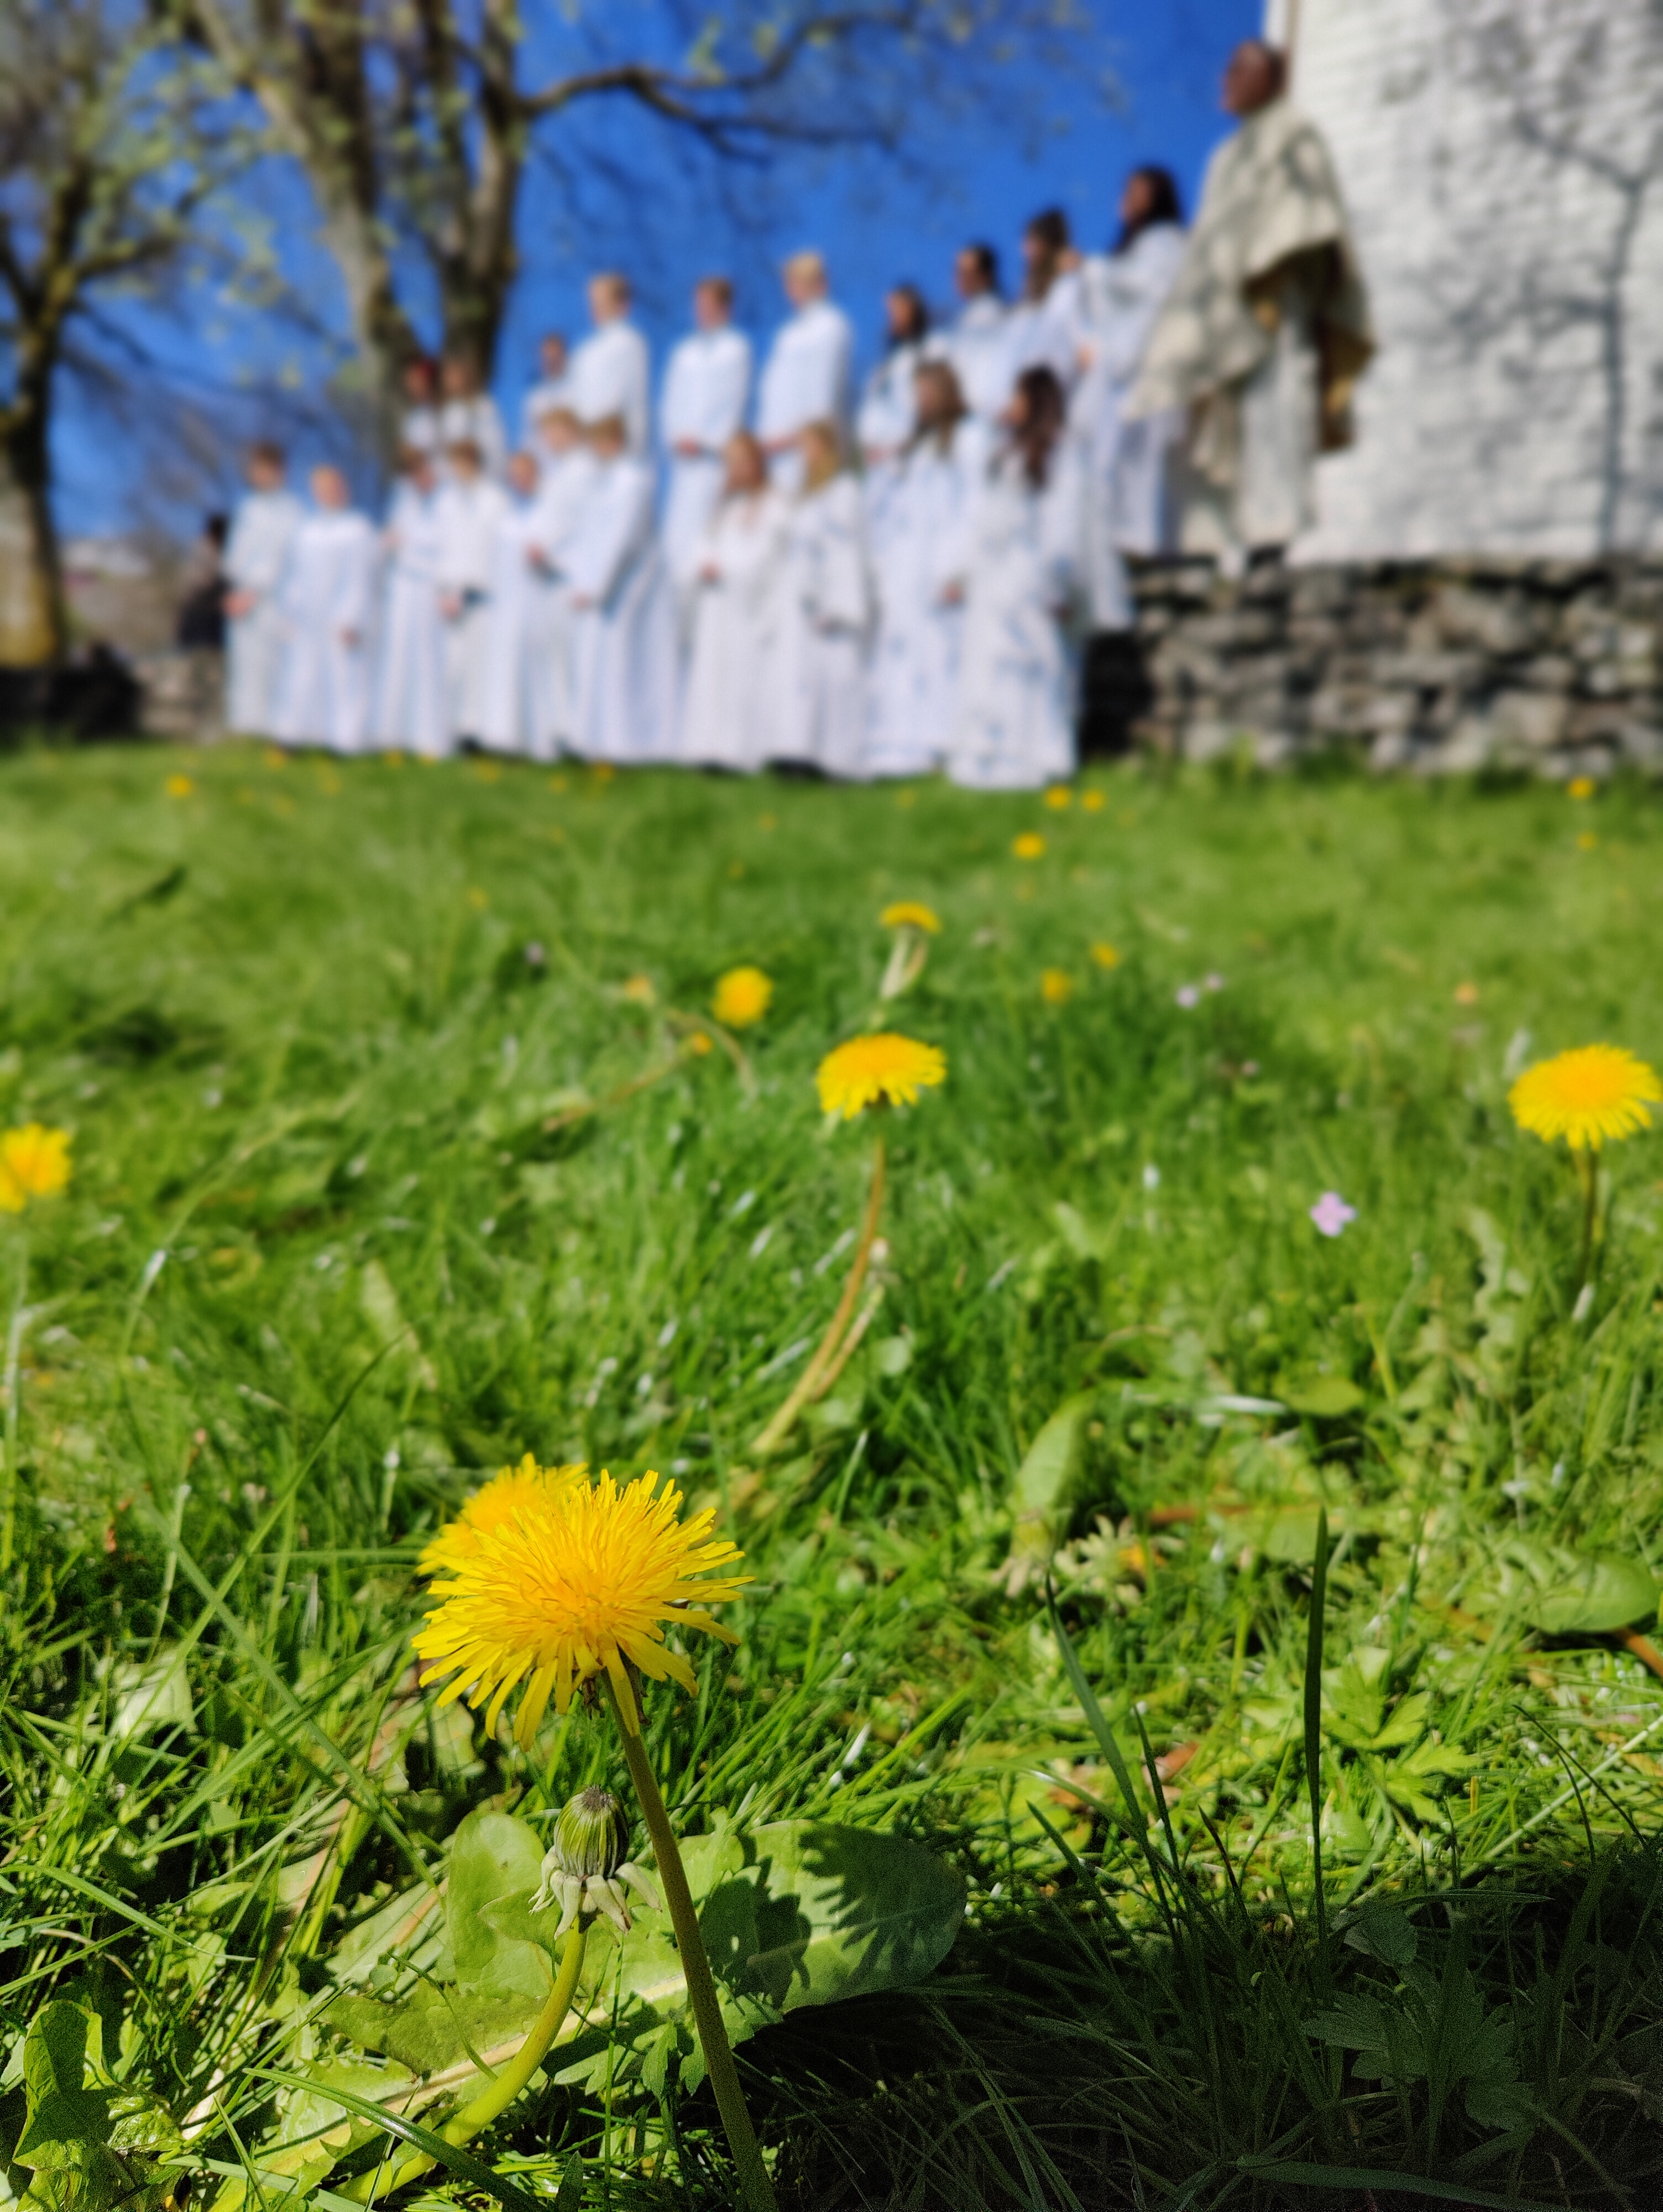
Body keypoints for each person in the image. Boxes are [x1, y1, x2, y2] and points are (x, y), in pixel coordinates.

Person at [1126, 38, 1373, 569]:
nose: (1226, 79)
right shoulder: (1223, 158)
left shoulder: (1294, 137)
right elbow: (1208, 248)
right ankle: (1204, 543)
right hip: (1220, 321)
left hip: (1273, 313)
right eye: (1227, 68)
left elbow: (1311, 222)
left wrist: (1264, 272)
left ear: (1275, 77)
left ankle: (1271, 536)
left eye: (1241, 68)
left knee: (1273, 422)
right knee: (1213, 428)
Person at [948, 366, 1084, 791]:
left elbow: (1063, 522)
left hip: (1029, 575)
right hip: (993, 577)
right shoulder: (1006, 453)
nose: (1011, 404)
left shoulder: (1059, 452)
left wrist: (1057, 583)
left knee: (1027, 659)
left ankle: (1033, 753)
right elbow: (981, 518)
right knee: (988, 661)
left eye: (1019, 395)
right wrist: (965, 571)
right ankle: (990, 751)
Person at [1075, 165, 1189, 627]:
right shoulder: (1131, 251)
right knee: (1106, 470)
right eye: (1128, 190)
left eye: (1141, 191)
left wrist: (1095, 271)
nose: (1130, 198)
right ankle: (1117, 560)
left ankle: (1146, 550)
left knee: (1143, 468)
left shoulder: (1166, 246)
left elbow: (1151, 296)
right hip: (1115, 375)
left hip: (1145, 370)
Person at [866, 361, 979, 779]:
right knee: (903, 652)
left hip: (940, 570)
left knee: (942, 654)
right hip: (906, 569)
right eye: (917, 395)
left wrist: (959, 569)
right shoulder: (916, 449)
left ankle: (942, 739)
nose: (922, 403)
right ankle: (902, 737)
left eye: (928, 393)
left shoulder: (968, 440)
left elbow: (973, 509)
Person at [566, 413, 678, 764]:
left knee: (624, 666)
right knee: (600, 663)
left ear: (615, 441)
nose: (595, 450)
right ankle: (596, 739)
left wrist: (597, 585)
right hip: (604, 587)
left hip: (629, 587)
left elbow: (622, 541)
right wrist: (583, 578)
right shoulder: (608, 481)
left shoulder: (634, 481)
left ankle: (627, 743)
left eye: (599, 442)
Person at [680, 431, 790, 773]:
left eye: (742, 462)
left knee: (743, 677)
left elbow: (770, 556)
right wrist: (704, 565)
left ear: (758, 463)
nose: (736, 470)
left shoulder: (776, 504)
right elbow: (702, 546)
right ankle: (709, 749)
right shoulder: (726, 507)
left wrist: (729, 569)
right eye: (730, 464)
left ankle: (742, 752)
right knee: (713, 677)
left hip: (749, 609)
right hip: (718, 607)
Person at [771, 420, 871, 776]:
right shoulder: (805, 495)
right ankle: (800, 751)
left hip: (832, 603)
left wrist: (837, 600)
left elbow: (845, 548)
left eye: (811, 446)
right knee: (802, 682)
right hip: (802, 600)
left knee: (838, 679)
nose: (806, 456)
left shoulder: (843, 490)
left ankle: (840, 759)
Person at [659, 276, 754, 600]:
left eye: (710, 305)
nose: (702, 312)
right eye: (699, 305)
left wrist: (708, 440)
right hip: (683, 464)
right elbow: (670, 402)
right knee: (676, 541)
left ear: (725, 307)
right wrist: (676, 437)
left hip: (712, 462)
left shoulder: (735, 348)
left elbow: (733, 402)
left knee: (707, 536)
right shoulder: (684, 353)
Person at [272, 465, 379, 752]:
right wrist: (288, 614)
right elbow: (294, 576)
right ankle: (292, 735)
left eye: (331, 487)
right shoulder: (307, 531)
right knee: (300, 677)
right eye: (320, 489)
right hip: (308, 619)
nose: (326, 494)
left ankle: (346, 740)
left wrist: (352, 618)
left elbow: (360, 578)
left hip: (339, 619)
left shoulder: (358, 529)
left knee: (344, 679)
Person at [756, 252, 854, 494]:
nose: (791, 289)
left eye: (798, 281)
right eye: (790, 282)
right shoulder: (788, 334)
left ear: (818, 283)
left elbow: (825, 389)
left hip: (807, 449)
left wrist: (804, 437)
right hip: (776, 452)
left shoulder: (830, 325)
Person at [373, 447, 449, 757]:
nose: (419, 478)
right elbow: (391, 538)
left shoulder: (447, 502)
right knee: (398, 661)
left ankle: (431, 737)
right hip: (403, 591)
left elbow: (443, 547)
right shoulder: (403, 500)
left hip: (431, 589)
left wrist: (407, 549)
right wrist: (391, 544)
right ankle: (393, 734)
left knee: (430, 663)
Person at [223, 444, 304, 736]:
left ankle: (276, 726)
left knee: (273, 665)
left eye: (264, 468)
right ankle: (247, 726)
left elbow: (283, 558)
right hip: (243, 599)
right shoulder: (249, 507)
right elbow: (236, 555)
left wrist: (254, 591)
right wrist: (234, 589)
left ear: (278, 471)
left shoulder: (291, 511)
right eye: (255, 469)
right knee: (247, 666)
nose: (258, 475)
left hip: (274, 601)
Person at [435, 439, 510, 745]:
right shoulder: (447, 501)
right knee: (455, 667)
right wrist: (446, 589)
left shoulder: (494, 500)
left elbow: (494, 551)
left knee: (483, 667)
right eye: (455, 464)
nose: (460, 470)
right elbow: (444, 549)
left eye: (465, 463)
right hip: (452, 598)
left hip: (484, 597)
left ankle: (482, 732)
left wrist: (471, 584)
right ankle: (457, 729)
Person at [856, 284, 934, 548]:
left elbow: (925, 410)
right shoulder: (887, 364)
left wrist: (897, 448)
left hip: (907, 463)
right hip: (877, 468)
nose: (892, 317)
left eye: (898, 310)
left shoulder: (929, 353)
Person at [478, 451, 546, 755]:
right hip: (506, 609)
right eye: (515, 475)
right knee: (504, 673)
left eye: (526, 473)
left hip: (537, 606)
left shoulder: (546, 513)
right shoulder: (506, 517)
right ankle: (506, 738)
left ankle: (540, 740)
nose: (520, 480)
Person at [568, 274, 650, 455]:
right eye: (593, 302)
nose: (595, 308)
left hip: (616, 441)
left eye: (602, 301)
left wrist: (635, 446)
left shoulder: (629, 341)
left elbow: (634, 397)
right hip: (587, 443)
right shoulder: (585, 351)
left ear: (620, 304)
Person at [1005, 209, 1084, 395]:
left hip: (1058, 383)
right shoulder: (1028, 293)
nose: (1025, 250)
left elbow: (1067, 328)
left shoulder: (1069, 282)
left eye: (1032, 242)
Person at [946, 242, 1012, 427]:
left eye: (968, 273)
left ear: (986, 275)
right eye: (958, 272)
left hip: (980, 416)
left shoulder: (992, 316)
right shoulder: (966, 319)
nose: (961, 279)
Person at [437, 354, 508, 480]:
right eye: (449, 377)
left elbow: (498, 442)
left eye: (456, 376)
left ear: (465, 377)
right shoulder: (450, 412)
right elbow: (451, 450)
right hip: (464, 478)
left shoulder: (486, 405)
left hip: (492, 475)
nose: (453, 382)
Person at [176, 514, 228, 651]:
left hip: (212, 611)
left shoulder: (224, 550)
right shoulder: (202, 547)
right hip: (198, 608)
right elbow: (197, 580)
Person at [520, 333, 571, 448]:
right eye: (547, 359)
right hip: (544, 460)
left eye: (555, 358)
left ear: (564, 357)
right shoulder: (535, 398)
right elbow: (528, 438)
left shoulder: (578, 391)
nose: (551, 363)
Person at [399, 357, 442, 459]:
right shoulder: (414, 421)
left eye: (418, 381)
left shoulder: (455, 407)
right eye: (411, 384)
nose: (414, 388)